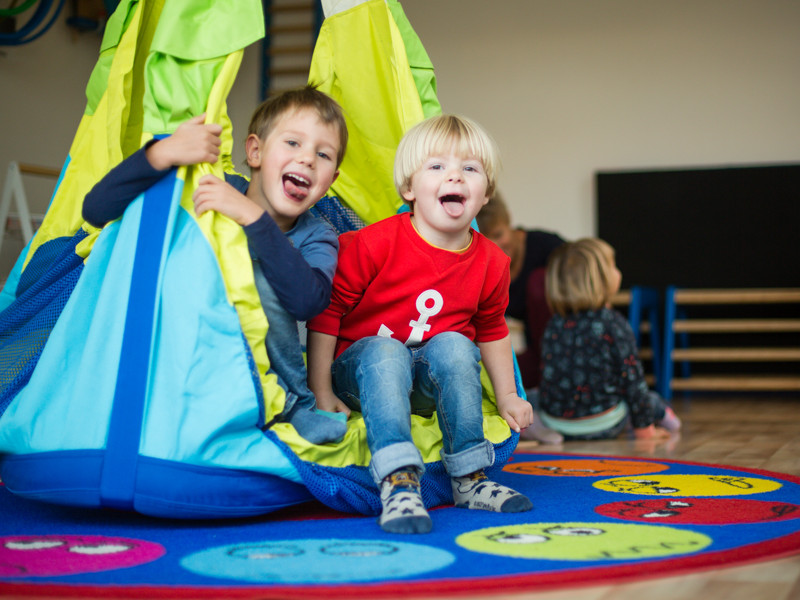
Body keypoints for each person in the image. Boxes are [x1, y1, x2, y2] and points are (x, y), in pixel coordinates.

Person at [82, 85, 349, 446]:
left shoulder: (318, 235)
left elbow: (308, 302)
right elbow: (95, 210)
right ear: (255, 151)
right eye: (292, 143)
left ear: (330, 182)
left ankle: (293, 404)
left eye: (324, 154)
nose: (307, 159)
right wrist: (163, 153)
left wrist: (254, 220)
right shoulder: (213, 188)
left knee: (259, 278)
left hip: (267, 374)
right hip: (191, 354)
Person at [306, 114, 534, 535]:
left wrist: (506, 395)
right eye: (437, 167)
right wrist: (320, 390)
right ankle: (398, 481)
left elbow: (492, 330)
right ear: (409, 189)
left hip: (424, 385)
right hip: (360, 375)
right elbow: (327, 313)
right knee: (385, 349)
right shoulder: (371, 244)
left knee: (453, 344)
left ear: (486, 194)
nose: (456, 176)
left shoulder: (492, 262)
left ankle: (468, 477)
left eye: (470, 168)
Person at [535, 238, 681, 441]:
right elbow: (633, 381)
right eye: (613, 266)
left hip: (559, 422)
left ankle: (538, 427)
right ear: (600, 280)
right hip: (606, 423)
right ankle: (671, 421)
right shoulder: (613, 323)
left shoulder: (553, 324)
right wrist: (644, 431)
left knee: (530, 396)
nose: (618, 272)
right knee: (649, 398)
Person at [476, 194, 565, 390]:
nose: (497, 246)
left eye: (499, 234)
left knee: (539, 279)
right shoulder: (482, 267)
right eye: (487, 241)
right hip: (534, 354)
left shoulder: (547, 247)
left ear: (509, 221)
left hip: (567, 348)